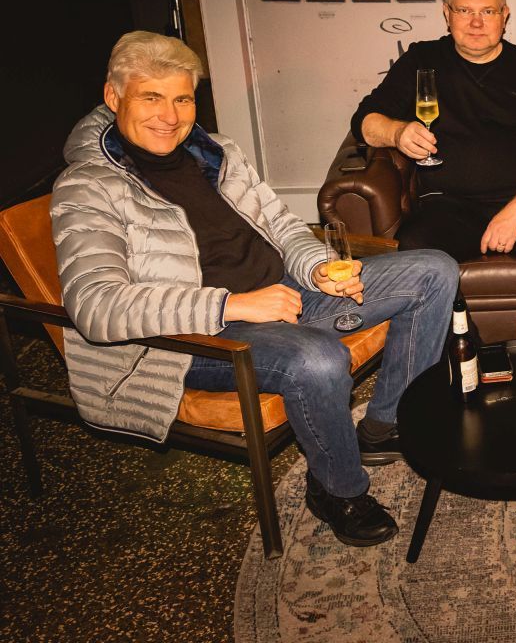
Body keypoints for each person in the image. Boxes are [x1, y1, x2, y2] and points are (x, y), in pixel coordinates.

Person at [52, 32, 459, 548]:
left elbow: (284, 227)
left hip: (284, 293)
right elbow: (95, 305)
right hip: (195, 335)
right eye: (151, 97)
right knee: (319, 359)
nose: (170, 116)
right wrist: (232, 304)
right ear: (114, 97)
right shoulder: (88, 187)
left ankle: (385, 425)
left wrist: (317, 268)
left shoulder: (216, 153)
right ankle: (339, 489)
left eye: (182, 99)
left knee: (435, 269)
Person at [351, 0, 516, 341]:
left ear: (504, 15)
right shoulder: (421, 61)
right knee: (415, 249)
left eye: (488, 11)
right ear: (447, 13)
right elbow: (364, 121)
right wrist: (397, 133)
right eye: (465, 10)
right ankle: (469, 354)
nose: (476, 22)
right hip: (447, 205)